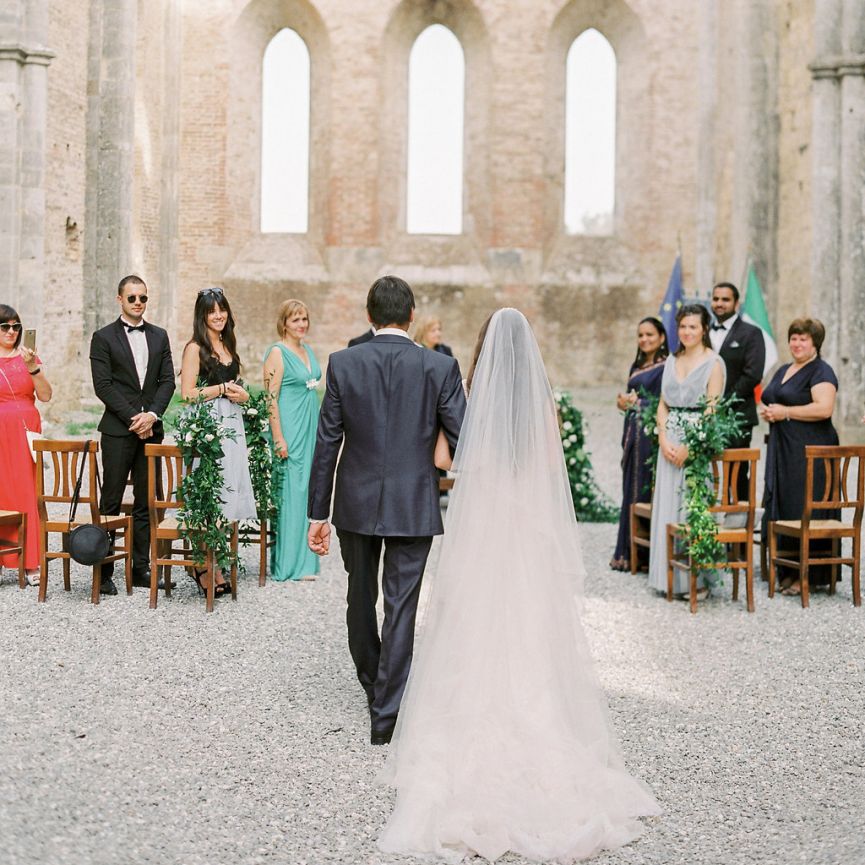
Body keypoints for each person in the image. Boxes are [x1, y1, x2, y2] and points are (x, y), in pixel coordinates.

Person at [378, 309, 660, 862]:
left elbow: (444, 460)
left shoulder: (469, 394)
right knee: (528, 626)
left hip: (484, 533)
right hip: (526, 536)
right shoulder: (541, 405)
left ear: (484, 350)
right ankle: (539, 723)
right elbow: (551, 471)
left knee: (475, 624)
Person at [307, 275, 466, 746]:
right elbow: (465, 436)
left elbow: (326, 442)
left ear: (369, 316)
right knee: (401, 606)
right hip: (414, 502)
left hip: (355, 502)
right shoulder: (440, 367)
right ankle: (387, 713)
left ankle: (373, 681)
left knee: (360, 596)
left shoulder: (344, 363)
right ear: (412, 315)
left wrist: (317, 514)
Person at [90, 276, 175, 595]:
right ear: (120, 299)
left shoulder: (160, 335)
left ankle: (140, 568)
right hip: (117, 430)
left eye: (143, 298)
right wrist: (133, 418)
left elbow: (168, 381)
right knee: (110, 500)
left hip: (151, 430)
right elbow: (103, 385)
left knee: (146, 501)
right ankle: (104, 571)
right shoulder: (102, 337)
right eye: (132, 298)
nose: (138, 303)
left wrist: (152, 415)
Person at [180, 287, 257, 595]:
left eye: (222, 309)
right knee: (207, 490)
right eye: (212, 311)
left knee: (228, 489)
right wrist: (222, 389)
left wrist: (243, 395)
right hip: (207, 425)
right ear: (202, 315)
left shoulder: (228, 344)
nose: (218, 315)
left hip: (232, 423)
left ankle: (217, 558)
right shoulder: (194, 348)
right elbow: (188, 393)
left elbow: (235, 384)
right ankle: (201, 564)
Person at [647, 304, 726, 599]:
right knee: (668, 505)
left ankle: (697, 579)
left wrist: (691, 445)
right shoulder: (671, 359)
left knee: (691, 506)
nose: (687, 332)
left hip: (696, 443)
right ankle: (668, 578)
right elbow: (663, 403)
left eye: (693, 326)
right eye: (682, 326)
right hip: (669, 441)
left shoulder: (713, 363)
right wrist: (663, 437)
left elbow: (712, 409)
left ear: (704, 329)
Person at [759, 318, 839, 594]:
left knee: (805, 507)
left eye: (803, 339)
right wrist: (772, 412)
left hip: (810, 450)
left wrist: (786, 412)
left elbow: (824, 408)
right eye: (793, 338)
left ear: (815, 343)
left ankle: (810, 574)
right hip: (784, 449)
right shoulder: (784, 369)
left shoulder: (821, 371)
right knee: (786, 505)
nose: (797, 343)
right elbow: (773, 398)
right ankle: (789, 568)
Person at [263, 299, 321, 582]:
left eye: (304, 319)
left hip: (310, 427)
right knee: (290, 493)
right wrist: (278, 438)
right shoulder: (277, 352)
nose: (301, 324)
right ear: (284, 323)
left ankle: (307, 561)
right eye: (296, 319)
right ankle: (288, 565)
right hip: (290, 428)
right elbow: (270, 398)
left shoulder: (307, 350)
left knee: (308, 491)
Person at [610, 317, 668, 571]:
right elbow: (632, 397)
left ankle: (643, 554)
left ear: (662, 337)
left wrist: (637, 403)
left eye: (650, 335)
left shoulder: (665, 367)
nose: (644, 340)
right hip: (632, 434)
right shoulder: (637, 365)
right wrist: (623, 402)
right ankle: (626, 551)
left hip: (649, 436)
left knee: (643, 488)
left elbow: (663, 402)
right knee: (629, 489)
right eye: (640, 335)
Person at [0, 305, 52, 585]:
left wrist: (33, 367)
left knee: (27, 492)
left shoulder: (28, 358)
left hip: (25, 432)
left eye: (16, 326)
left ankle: (31, 562)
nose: (12, 332)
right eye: (5, 327)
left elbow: (45, 395)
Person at [710, 281, 766, 501]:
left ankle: (742, 515)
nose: (719, 303)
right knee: (707, 468)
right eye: (716, 299)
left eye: (725, 299)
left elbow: (752, 374)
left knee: (737, 471)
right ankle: (707, 514)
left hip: (738, 414)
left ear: (736, 303)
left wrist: (723, 402)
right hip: (705, 414)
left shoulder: (751, 333)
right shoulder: (703, 331)